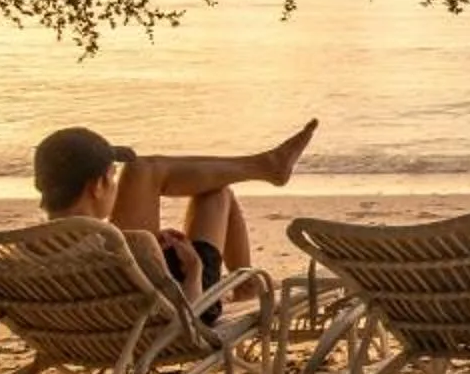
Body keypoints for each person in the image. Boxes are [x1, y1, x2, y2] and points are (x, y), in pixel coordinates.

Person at [33, 120, 317, 313]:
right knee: (214, 193)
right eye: (112, 176)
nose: (116, 186)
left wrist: (151, 248)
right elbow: (185, 320)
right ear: (97, 187)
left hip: (103, 317)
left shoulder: (26, 252)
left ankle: (265, 167)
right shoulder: (121, 246)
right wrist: (193, 271)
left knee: (146, 170)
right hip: (169, 314)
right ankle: (246, 286)